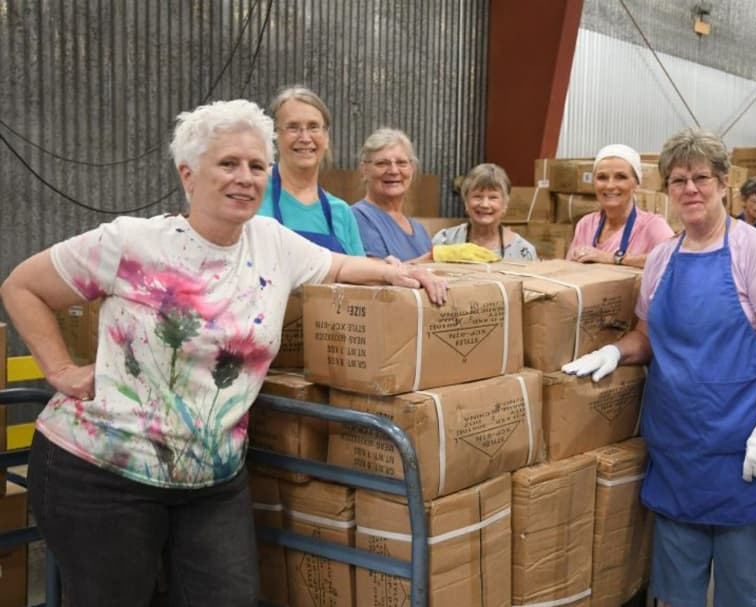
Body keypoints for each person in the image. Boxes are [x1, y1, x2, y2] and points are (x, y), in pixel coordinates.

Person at [0, 99, 447, 606]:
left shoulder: (273, 242)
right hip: (103, 472)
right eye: (228, 163)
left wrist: (396, 271)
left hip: (213, 479)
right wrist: (58, 369)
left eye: (257, 166)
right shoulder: (133, 243)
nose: (246, 177)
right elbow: (22, 287)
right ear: (188, 175)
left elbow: (339, 268)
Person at [563, 128, 756, 606]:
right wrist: (614, 352)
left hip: (743, 438)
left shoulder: (753, 250)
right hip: (677, 440)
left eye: (701, 178)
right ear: (667, 190)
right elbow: (646, 337)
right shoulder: (662, 259)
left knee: (737, 581)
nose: (690, 189)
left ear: (724, 182)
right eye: (678, 180)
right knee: (677, 582)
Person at [256, 86, 366, 255]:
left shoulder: (341, 211)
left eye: (313, 127)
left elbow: (361, 274)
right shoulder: (254, 194)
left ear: (326, 137)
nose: (305, 138)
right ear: (276, 135)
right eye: (293, 127)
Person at [567, 144, 675, 268]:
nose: (610, 185)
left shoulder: (652, 226)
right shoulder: (586, 225)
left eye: (621, 177)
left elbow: (675, 260)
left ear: (637, 184)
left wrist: (613, 258)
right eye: (602, 177)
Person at [350, 128, 433, 261]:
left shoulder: (420, 230)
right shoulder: (357, 217)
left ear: (412, 169)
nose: (394, 171)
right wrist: (433, 257)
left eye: (401, 163)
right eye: (382, 163)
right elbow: (376, 274)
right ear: (364, 170)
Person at [430, 163, 537, 260]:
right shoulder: (445, 241)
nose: (485, 204)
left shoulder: (523, 252)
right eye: (477, 196)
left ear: (505, 204)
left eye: (493, 197)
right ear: (466, 201)